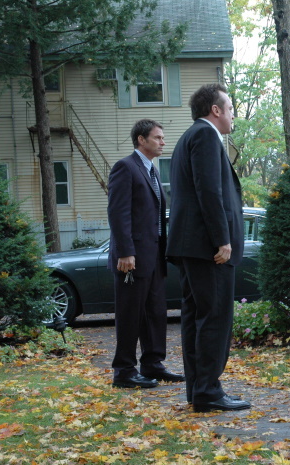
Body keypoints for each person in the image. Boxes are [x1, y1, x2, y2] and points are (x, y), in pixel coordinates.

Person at [166, 84, 251, 412]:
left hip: (192, 247)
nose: (232, 115)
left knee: (196, 317)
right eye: (229, 108)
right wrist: (222, 239)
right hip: (208, 248)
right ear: (215, 110)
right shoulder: (204, 136)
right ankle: (208, 391)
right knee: (214, 316)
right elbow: (209, 191)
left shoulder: (188, 137)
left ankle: (198, 390)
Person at [107, 119, 185, 389]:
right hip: (132, 259)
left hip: (154, 258)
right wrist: (126, 251)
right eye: (158, 137)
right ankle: (124, 371)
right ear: (141, 139)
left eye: (162, 138)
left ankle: (152, 363)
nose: (163, 142)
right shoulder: (125, 168)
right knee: (130, 313)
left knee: (155, 312)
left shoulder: (151, 170)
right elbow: (118, 214)